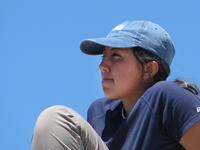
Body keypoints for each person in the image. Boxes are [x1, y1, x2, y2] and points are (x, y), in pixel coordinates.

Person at [32, 20, 200, 150]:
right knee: (54, 122)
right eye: (103, 55)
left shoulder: (169, 96)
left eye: (116, 55)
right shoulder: (100, 113)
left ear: (149, 69)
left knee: (57, 116)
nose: (102, 65)